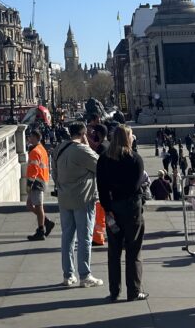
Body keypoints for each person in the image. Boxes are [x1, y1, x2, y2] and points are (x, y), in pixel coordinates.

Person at [96, 125, 147, 302]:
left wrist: (107, 208)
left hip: (113, 207)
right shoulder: (135, 159)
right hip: (132, 208)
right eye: (131, 135)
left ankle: (114, 290)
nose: (133, 137)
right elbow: (135, 186)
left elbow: (101, 187)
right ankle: (133, 290)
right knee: (133, 250)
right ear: (127, 138)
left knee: (114, 251)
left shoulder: (104, 159)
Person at [54, 122, 102, 288]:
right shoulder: (82, 150)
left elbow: (55, 174)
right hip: (83, 199)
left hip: (64, 198)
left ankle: (68, 275)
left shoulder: (59, 148)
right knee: (84, 238)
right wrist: (88, 146)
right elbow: (100, 166)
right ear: (83, 134)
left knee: (67, 237)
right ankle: (85, 275)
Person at [25, 129, 55, 241]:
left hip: (36, 181)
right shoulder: (42, 149)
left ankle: (41, 230)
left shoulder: (35, 151)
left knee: (38, 206)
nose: (29, 139)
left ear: (35, 138)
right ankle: (46, 222)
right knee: (30, 205)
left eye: (30, 136)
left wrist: (29, 183)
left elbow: (34, 169)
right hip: (42, 179)